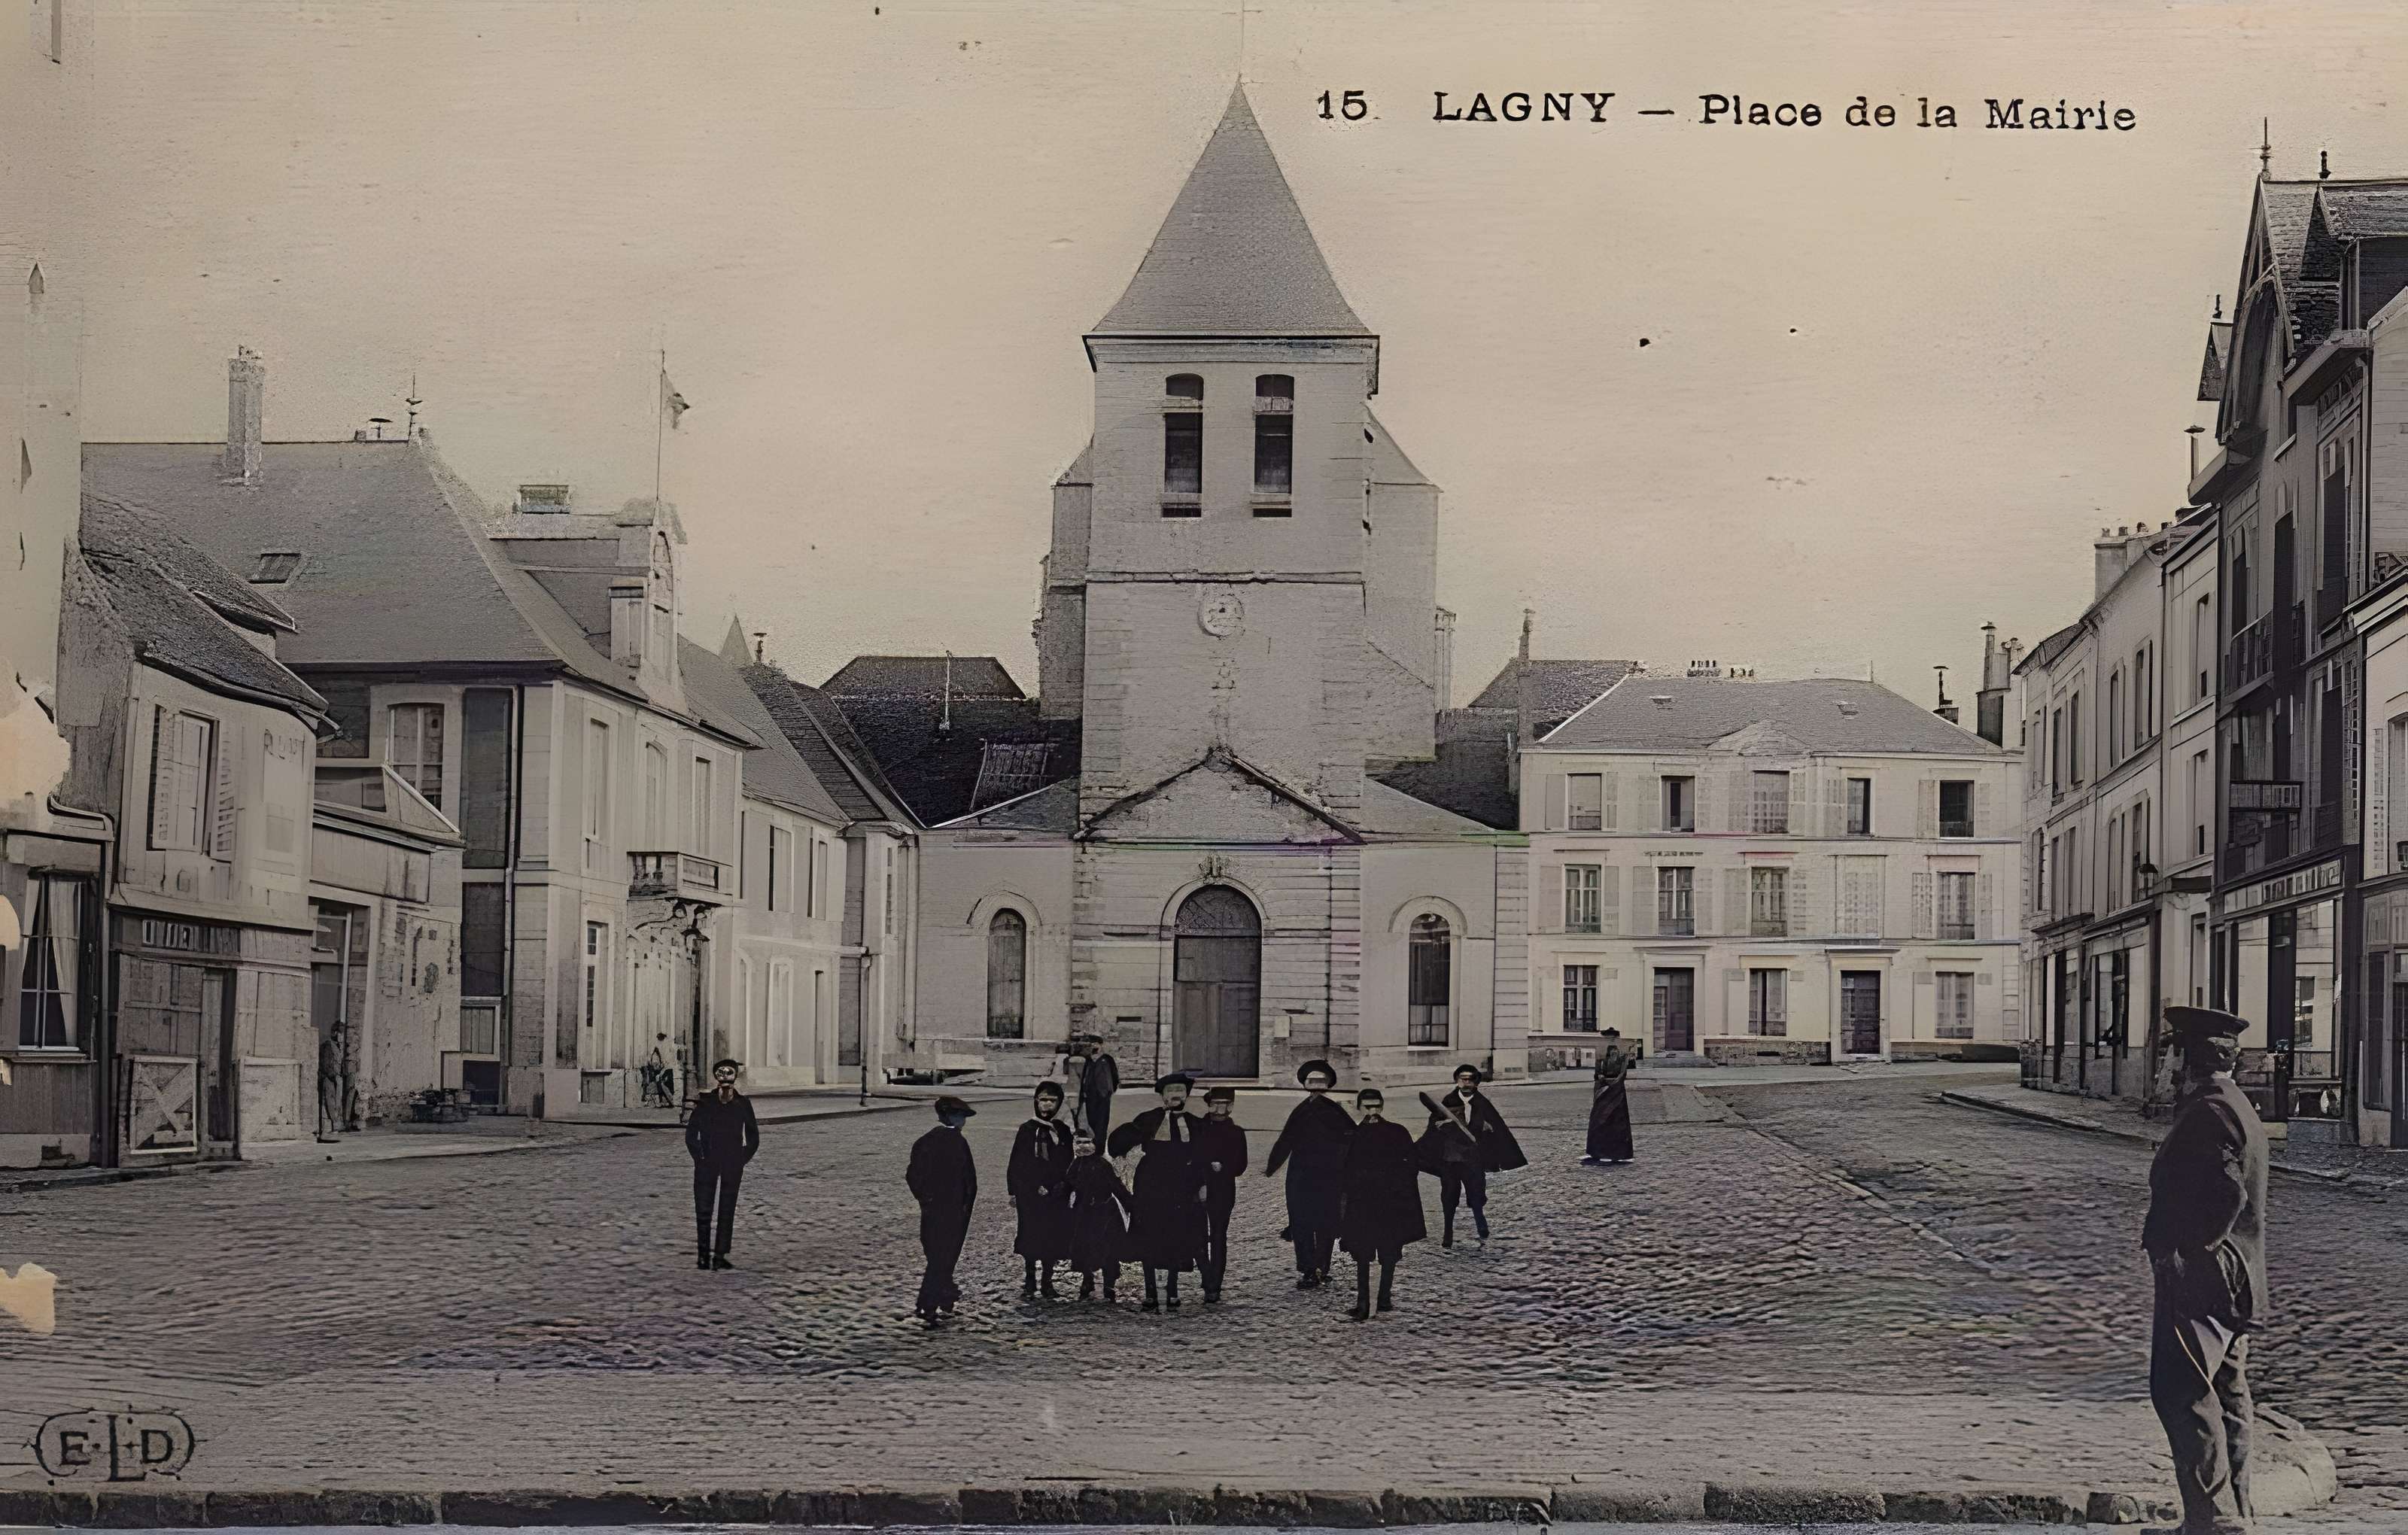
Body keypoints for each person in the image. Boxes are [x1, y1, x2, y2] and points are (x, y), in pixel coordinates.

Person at [2142, 1005, 2270, 1535]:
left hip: (2206, 1275)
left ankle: (2211, 1520)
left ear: (2186, 1058)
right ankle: (2235, 1512)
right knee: (2226, 1390)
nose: (2165, 1063)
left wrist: (2188, 1251)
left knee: (2182, 1388)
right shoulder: (2231, 1103)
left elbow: (2228, 1192)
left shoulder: (2209, 1111)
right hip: (2236, 1275)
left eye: (2170, 1051)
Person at [1108, 1071, 1209, 1311]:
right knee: (1149, 1238)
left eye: (1180, 1091)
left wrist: (1203, 1184)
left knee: (1176, 1237)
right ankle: (1151, 1291)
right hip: (1151, 1185)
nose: (1175, 1096)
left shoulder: (1195, 1123)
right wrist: (1117, 1154)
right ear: (1162, 1096)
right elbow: (1119, 1140)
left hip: (1182, 1186)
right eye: (1170, 1092)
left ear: (1186, 1095)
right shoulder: (1148, 1119)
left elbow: (1204, 1156)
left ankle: (1173, 1290)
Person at [1336, 1087, 1424, 1321]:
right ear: (1359, 1108)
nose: (1373, 1110)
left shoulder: (1397, 1132)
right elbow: (1343, 1169)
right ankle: (1363, 1302)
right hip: (1362, 1202)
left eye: (1377, 1105)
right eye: (1367, 1106)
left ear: (1383, 1106)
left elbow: (1411, 1164)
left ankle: (1384, 1297)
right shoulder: (1351, 1135)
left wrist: (1396, 1185)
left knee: (1389, 1252)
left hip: (1390, 1202)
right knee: (1362, 1253)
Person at [1263, 1059, 1353, 1288]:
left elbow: (1352, 1138)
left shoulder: (1335, 1111)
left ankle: (1321, 1268)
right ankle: (1308, 1269)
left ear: (1328, 1085)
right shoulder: (1301, 1110)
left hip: (1328, 1174)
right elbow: (1286, 1139)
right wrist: (1272, 1166)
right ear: (1304, 1084)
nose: (1315, 1085)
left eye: (1320, 1081)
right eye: (1311, 1081)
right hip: (1300, 1174)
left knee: (1325, 1221)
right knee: (1301, 1221)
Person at [1418, 1063, 1528, 1248]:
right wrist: (1442, 1125)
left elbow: (1497, 1129)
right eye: (1463, 1079)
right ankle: (1448, 1232)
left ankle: (1480, 1220)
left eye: (1470, 1079)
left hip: (1473, 1158)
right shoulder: (1449, 1101)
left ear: (1476, 1082)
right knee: (1449, 1195)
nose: (1466, 1082)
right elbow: (1434, 1125)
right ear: (1457, 1080)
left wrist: (1487, 1128)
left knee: (1476, 1193)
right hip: (1451, 1158)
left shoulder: (1482, 1103)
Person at [907, 1096, 979, 1324]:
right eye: (958, 1116)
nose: (961, 1121)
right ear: (946, 1116)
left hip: (942, 1209)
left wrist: (926, 1199)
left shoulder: (928, 1141)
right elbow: (915, 1176)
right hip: (947, 1210)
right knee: (942, 1258)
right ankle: (929, 1303)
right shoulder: (947, 1142)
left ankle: (944, 1297)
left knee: (940, 1256)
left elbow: (914, 1176)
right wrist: (928, 1198)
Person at [684, 1059, 760, 1271]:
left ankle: (720, 1255)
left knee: (727, 1209)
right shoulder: (706, 1102)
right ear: (717, 1081)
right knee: (704, 1209)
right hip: (707, 1161)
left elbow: (753, 1137)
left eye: (729, 1081)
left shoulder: (743, 1104)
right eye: (722, 1081)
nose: (725, 1086)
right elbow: (691, 1134)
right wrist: (699, 1157)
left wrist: (741, 1159)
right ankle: (703, 1256)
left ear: (735, 1081)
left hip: (732, 1163)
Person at [1007, 1081, 1075, 1299]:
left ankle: (1047, 1281)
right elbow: (1018, 1162)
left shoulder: (1062, 1131)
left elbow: (1067, 1161)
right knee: (1030, 1235)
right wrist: (1017, 1190)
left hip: (1056, 1195)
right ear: (1036, 1101)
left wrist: (1062, 1186)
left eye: (1052, 1101)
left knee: (1052, 1237)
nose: (1047, 1105)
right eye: (1043, 1100)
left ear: (1059, 1104)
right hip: (1030, 1193)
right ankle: (1029, 1281)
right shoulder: (1027, 1129)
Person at [1192, 1084, 1250, 1302]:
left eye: (1224, 1105)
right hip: (1197, 1187)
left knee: (1218, 1236)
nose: (1219, 1108)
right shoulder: (1198, 1128)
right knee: (1197, 1235)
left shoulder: (1236, 1133)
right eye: (1215, 1103)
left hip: (1224, 1189)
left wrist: (1224, 1166)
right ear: (1208, 1104)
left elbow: (1240, 1165)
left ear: (1231, 1107)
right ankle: (1206, 1273)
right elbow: (1192, 1156)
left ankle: (1215, 1283)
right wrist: (1205, 1170)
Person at [1064, 1129, 1133, 1302]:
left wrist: (1130, 1202)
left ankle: (1109, 1285)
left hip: (1105, 1212)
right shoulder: (1075, 1164)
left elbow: (1116, 1185)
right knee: (1084, 1247)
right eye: (1079, 1142)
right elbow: (1068, 1184)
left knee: (1109, 1249)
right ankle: (1087, 1280)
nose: (1083, 1147)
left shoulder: (1102, 1164)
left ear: (1095, 1144)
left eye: (1087, 1142)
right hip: (1084, 1212)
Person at [1583, 1029, 1637, 1165]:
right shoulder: (1601, 1053)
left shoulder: (1622, 1054)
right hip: (1602, 1089)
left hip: (1616, 1092)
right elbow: (1597, 1072)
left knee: (1617, 1122)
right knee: (1598, 1121)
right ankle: (1596, 1152)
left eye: (1611, 1039)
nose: (1609, 1041)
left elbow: (1623, 1073)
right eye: (1607, 1039)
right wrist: (1601, 1078)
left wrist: (1613, 1082)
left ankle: (1618, 1153)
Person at [1080, 1035, 1121, 1150]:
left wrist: (1110, 1091)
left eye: (1096, 1043)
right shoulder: (1088, 1060)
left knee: (1102, 1120)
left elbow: (1114, 1076)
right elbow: (1084, 1076)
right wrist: (1084, 1091)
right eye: (1091, 1044)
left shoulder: (1107, 1059)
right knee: (1092, 1119)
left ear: (1100, 1045)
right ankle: (1093, 1141)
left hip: (1103, 1095)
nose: (1093, 1045)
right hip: (1090, 1094)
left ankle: (1100, 1147)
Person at [315, 1023, 348, 1142]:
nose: (341, 1037)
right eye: (340, 1034)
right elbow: (326, 1063)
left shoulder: (339, 1046)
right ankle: (328, 1128)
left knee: (335, 1103)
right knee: (329, 1102)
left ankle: (335, 1126)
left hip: (336, 1078)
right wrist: (332, 1076)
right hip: (329, 1078)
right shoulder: (328, 1046)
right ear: (335, 1033)